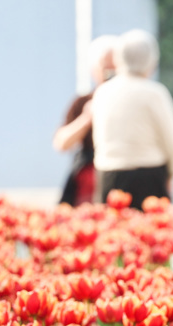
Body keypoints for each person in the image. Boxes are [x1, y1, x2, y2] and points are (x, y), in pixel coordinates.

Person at [92, 29, 173, 209]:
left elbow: (99, 140)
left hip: (108, 176)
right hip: (149, 177)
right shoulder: (155, 93)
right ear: (151, 60)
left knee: (112, 226)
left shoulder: (102, 92)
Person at [54, 35, 117, 206]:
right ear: (94, 69)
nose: (111, 74)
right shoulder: (84, 102)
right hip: (88, 182)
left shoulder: (132, 102)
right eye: (106, 69)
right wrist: (87, 118)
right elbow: (61, 143)